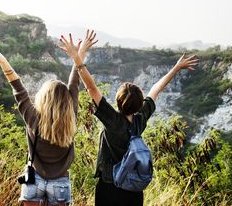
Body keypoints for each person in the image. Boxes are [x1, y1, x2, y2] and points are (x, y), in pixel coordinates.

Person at [58, 30, 199, 206]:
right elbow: (157, 89)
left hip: (109, 187)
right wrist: (176, 68)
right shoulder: (141, 119)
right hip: (133, 188)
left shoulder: (113, 121)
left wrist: (76, 57)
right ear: (140, 104)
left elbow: (91, 87)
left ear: (118, 101)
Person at [0, 32, 98, 206]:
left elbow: (18, 88)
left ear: (43, 98)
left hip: (33, 181)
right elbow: (74, 83)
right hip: (60, 183)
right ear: (67, 101)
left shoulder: (33, 118)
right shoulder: (71, 116)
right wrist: (79, 55)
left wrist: (3, 61)